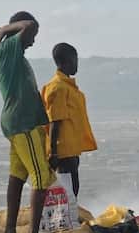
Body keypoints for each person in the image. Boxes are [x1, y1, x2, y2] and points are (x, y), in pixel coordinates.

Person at [0, 12, 53, 233]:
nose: (34, 40)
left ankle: (9, 230)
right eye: (32, 36)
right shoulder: (7, 51)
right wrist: (6, 29)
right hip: (22, 123)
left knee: (18, 175)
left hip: (22, 122)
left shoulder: (14, 55)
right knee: (41, 177)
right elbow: (29, 24)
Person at [41, 43, 98, 197]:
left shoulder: (67, 86)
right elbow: (55, 121)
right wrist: (53, 153)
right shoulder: (58, 87)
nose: (77, 63)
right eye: (76, 59)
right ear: (68, 60)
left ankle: (68, 218)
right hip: (62, 150)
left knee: (72, 188)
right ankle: (64, 220)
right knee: (67, 190)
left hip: (71, 148)